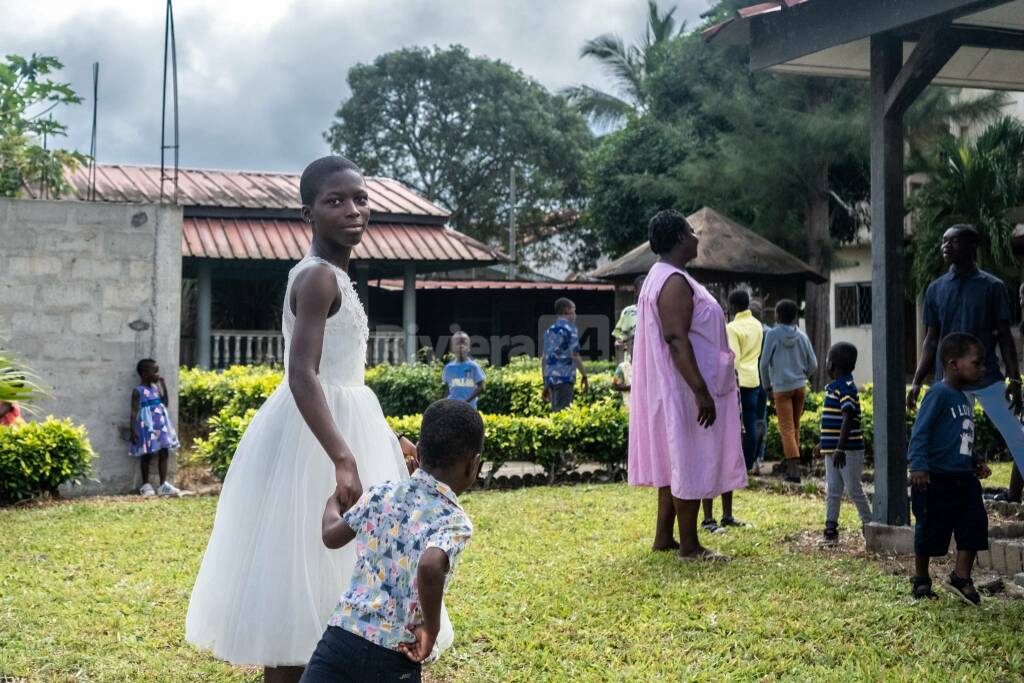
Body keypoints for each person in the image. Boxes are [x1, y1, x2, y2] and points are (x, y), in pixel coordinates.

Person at [186, 156, 448, 683]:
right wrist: (344, 456)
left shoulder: (337, 276)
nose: (353, 210)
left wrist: (383, 436)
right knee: (296, 582)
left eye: (360, 199)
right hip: (315, 441)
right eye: (336, 201)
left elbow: (340, 373)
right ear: (309, 212)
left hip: (347, 421)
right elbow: (302, 374)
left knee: (343, 578)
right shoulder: (317, 277)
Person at [300, 400, 482, 682]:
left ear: (419, 451)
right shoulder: (454, 521)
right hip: (394, 654)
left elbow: (331, 535)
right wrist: (431, 630)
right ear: (474, 465)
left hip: (340, 638)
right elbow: (431, 566)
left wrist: (333, 503)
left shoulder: (381, 494)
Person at [628, 209, 747, 561]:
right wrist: (700, 391)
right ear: (680, 237)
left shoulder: (662, 276)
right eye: (692, 232)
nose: (697, 237)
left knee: (674, 460)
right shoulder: (674, 281)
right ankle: (691, 546)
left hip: (679, 385)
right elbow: (676, 339)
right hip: (684, 387)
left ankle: (665, 537)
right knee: (688, 458)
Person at [908, 225, 1023, 504]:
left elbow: (1006, 338)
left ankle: (1015, 496)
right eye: (943, 241)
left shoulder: (993, 287)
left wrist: (1015, 379)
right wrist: (918, 380)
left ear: (972, 246)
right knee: (948, 441)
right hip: (948, 383)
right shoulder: (935, 289)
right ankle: (948, 495)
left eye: (953, 241)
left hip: (987, 377)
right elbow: (930, 340)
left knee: (1017, 436)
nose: (945, 246)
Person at [908, 333, 991, 605]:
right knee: (930, 528)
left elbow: (959, 435)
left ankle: (961, 576)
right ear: (954, 364)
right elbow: (921, 432)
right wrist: (918, 465)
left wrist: (974, 459)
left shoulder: (964, 398)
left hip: (963, 479)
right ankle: (921, 578)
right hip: (936, 478)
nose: (982, 369)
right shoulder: (938, 393)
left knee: (974, 524)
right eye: (977, 363)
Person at [819, 342, 871, 545]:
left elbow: (848, 417)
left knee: (853, 489)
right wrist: (822, 443)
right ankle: (830, 529)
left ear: (831, 365)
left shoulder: (846, 388)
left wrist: (840, 447)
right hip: (833, 451)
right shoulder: (834, 388)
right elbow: (833, 422)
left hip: (847, 451)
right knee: (832, 489)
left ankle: (869, 525)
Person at [759, 299, 817, 483]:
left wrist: (767, 385)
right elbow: (813, 364)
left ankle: (794, 471)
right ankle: (792, 462)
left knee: (786, 429)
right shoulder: (802, 335)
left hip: (781, 388)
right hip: (799, 386)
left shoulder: (772, 335)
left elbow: (763, 364)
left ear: (777, 315)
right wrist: (803, 376)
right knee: (795, 426)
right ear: (794, 317)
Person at [129, 358, 180, 497]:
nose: (158, 374)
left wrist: (164, 386)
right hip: (147, 425)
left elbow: (165, 403)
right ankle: (145, 485)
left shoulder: (155, 387)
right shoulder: (138, 391)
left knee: (164, 451)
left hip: (161, 424)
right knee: (147, 453)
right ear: (145, 374)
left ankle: (163, 485)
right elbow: (133, 411)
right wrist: (132, 429)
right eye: (155, 371)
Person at [726, 289, 764, 473]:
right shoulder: (757, 325)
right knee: (751, 422)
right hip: (754, 378)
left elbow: (734, 359)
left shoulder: (732, 328)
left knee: (735, 424)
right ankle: (749, 463)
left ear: (733, 306)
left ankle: (738, 465)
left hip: (739, 381)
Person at [541, 298, 588, 412]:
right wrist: (584, 375)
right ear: (567, 311)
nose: (575, 315)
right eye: (574, 311)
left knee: (555, 413)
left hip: (551, 379)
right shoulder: (570, 329)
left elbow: (544, 358)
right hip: (565, 378)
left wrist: (545, 381)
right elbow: (575, 355)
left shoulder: (550, 330)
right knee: (563, 414)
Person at [748, 297, 772, 475]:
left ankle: (748, 457)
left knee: (748, 420)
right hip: (764, 381)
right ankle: (759, 458)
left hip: (746, 380)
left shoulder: (744, 330)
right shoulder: (768, 333)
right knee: (761, 419)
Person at [442, 331, 485, 409]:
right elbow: (447, 389)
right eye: (458, 343)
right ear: (453, 348)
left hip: (469, 408)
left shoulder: (474, 367)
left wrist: (466, 402)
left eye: (464, 343)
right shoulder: (448, 368)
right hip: (452, 408)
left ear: (469, 348)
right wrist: (445, 404)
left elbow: (481, 387)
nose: (461, 346)